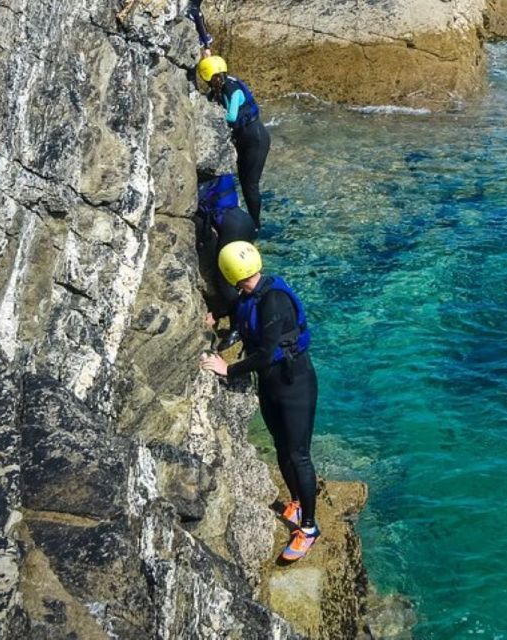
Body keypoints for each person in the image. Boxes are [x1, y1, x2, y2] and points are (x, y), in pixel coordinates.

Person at [200, 241, 320, 561]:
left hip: (295, 384)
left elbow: (266, 354)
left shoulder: (274, 300)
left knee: (299, 455)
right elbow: (238, 314)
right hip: (272, 385)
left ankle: (308, 527)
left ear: (228, 273)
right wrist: (215, 317)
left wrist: (228, 369)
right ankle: (295, 500)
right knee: (281, 447)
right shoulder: (249, 294)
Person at [196, 55, 270, 231]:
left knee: (250, 185)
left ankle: (256, 225)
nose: (211, 82)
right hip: (244, 140)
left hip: (255, 139)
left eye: (213, 78)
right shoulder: (218, 90)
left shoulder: (232, 88)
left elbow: (231, 116)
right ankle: (246, 219)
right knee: (243, 182)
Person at [197, 172, 258, 328]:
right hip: (242, 221)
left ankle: (236, 325)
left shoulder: (204, 176)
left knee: (225, 281)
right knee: (240, 280)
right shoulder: (220, 171)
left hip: (234, 227)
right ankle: (245, 316)